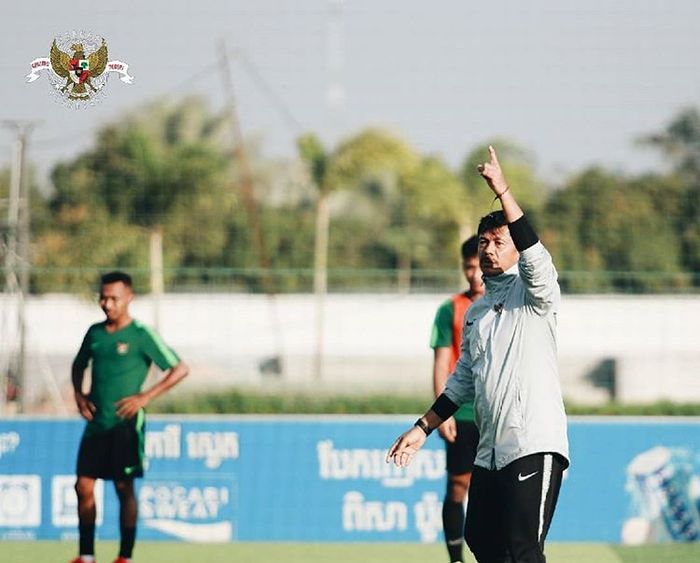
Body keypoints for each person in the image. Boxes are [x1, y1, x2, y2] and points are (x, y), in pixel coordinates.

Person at [387, 146, 569, 563]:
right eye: (483, 241)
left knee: (523, 550)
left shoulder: (536, 295)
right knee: (482, 541)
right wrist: (422, 428)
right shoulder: (477, 312)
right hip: (490, 450)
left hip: (534, 443)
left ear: (516, 249)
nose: (487, 248)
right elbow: (461, 381)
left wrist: (503, 191)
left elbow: (536, 258)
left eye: (498, 241)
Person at [70, 271, 189, 563]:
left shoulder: (141, 335)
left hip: (125, 426)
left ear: (129, 298)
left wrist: (145, 397)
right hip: (97, 425)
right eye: (103, 297)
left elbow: (180, 368)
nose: (107, 304)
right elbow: (78, 365)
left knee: (124, 488)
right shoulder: (95, 333)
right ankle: (86, 555)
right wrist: (78, 393)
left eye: (114, 298)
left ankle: (125, 556)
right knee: (83, 485)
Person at [430, 235, 484, 563]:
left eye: (478, 266)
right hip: (461, 414)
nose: (474, 274)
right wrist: (441, 414)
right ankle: (456, 559)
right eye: (468, 267)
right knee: (457, 488)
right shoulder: (450, 309)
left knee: (494, 491)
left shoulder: (505, 303)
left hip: (495, 413)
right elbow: (440, 363)